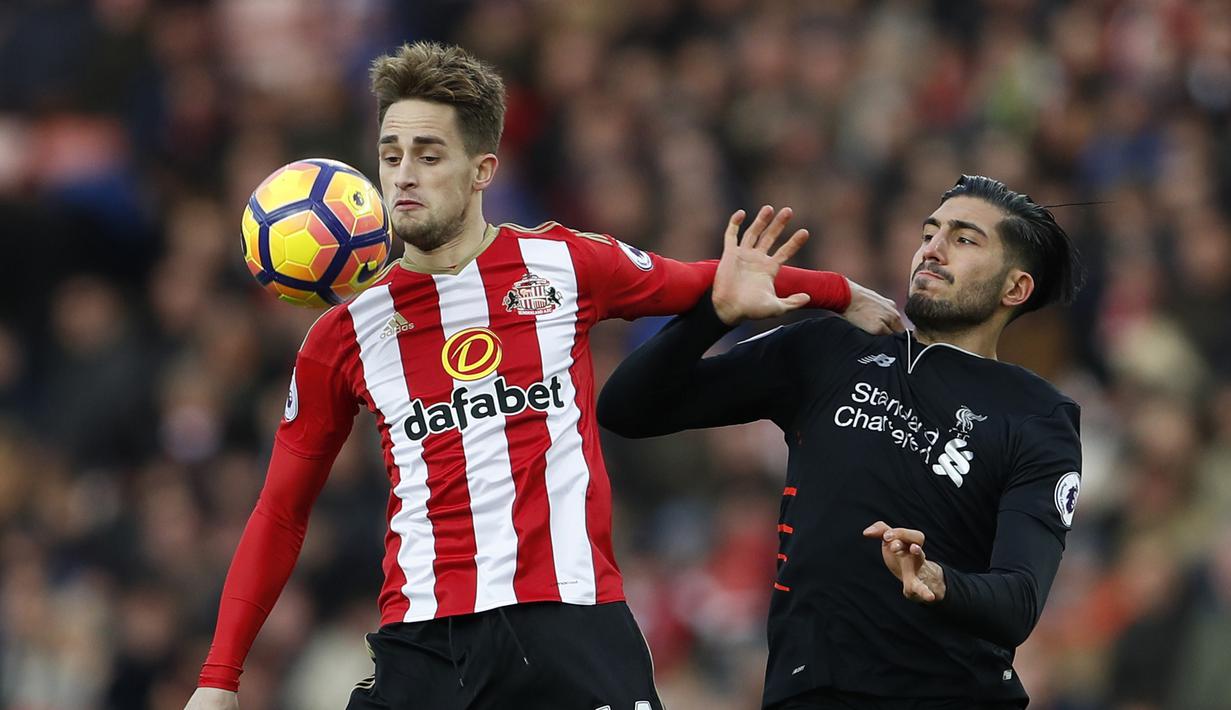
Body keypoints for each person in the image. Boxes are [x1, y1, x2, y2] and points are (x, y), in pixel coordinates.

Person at [183, 42, 900, 710]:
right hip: (428, 644)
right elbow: (280, 510)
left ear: (483, 170)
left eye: (429, 155)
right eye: (391, 154)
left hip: (573, 624)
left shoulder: (562, 262)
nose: (403, 174)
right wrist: (219, 677)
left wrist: (840, 291)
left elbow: (707, 280)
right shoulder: (342, 335)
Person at [597, 176, 1086, 709]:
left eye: (965, 239)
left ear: (1015, 289)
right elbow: (627, 409)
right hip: (806, 689)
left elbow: (1019, 601)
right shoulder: (827, 350)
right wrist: (716, 313)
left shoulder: (1037, 414)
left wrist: (939, 580)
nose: (933, 249)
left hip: (948, 693)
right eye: (930, 232)